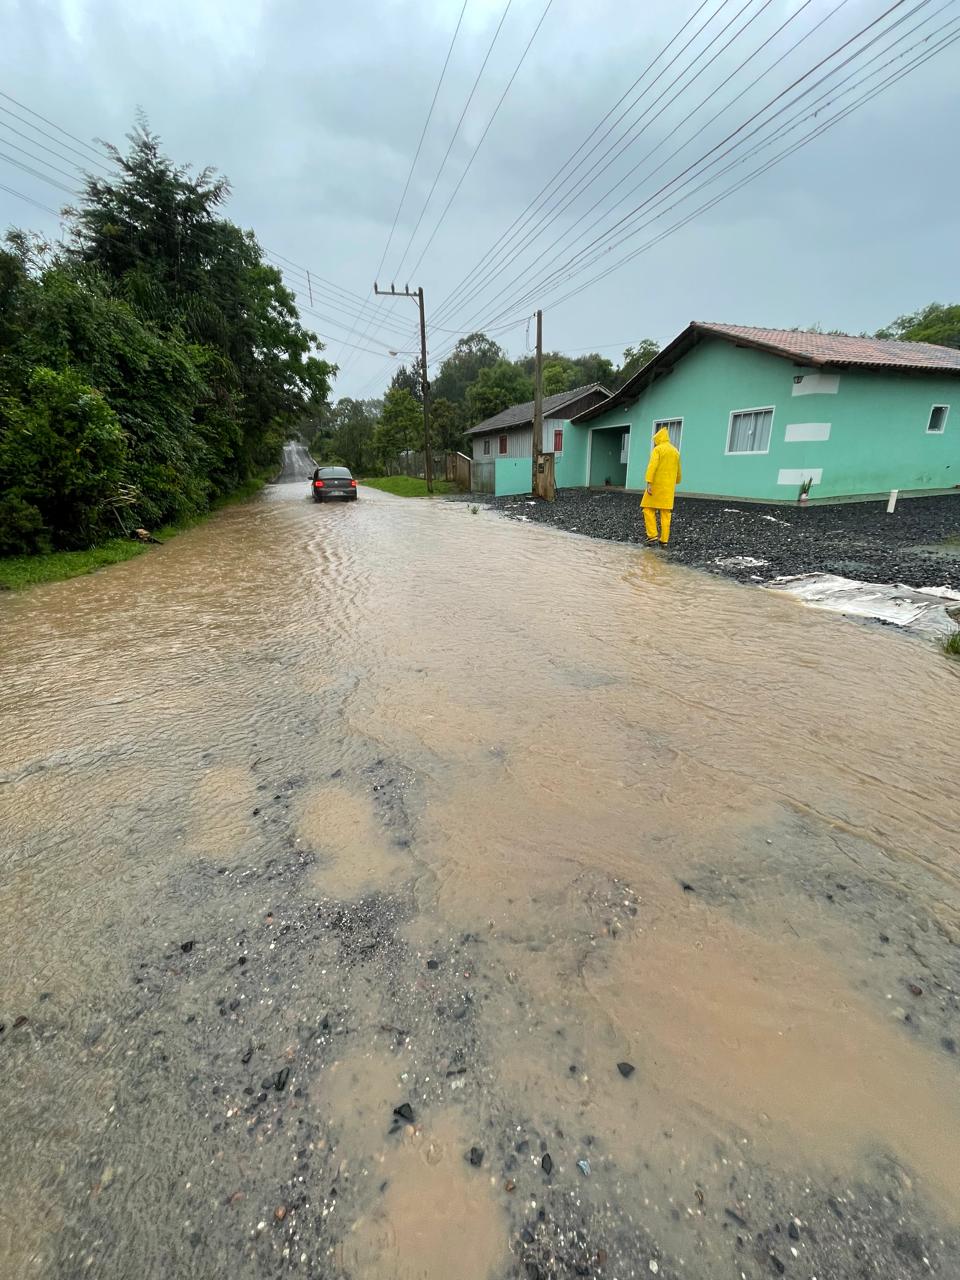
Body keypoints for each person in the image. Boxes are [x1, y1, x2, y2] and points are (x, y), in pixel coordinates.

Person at [641, 426, 681, 546]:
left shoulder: (658, 450)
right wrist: (677, 481)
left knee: (647, 509)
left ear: (658, 439)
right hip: (669, 487)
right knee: (666, 513)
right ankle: (664, 540)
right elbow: (678, 470)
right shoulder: (675, 451)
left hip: (656, 485)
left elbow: (652, 466)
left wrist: (649, 482)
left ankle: (652, 535)